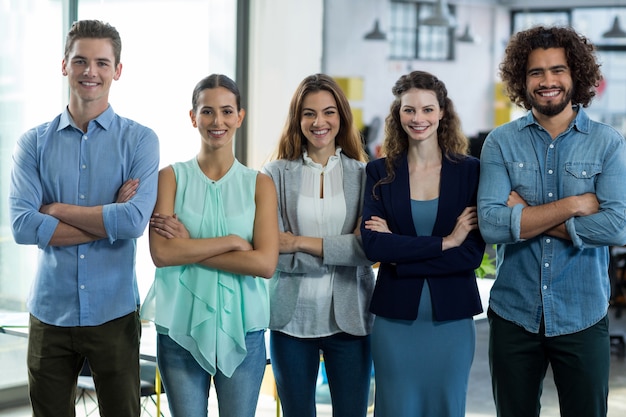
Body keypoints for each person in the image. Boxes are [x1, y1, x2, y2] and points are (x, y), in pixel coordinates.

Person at [8, 20, 159, 417]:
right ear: (64, 65)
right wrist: (108, 215)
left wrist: (55, 211)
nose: (91, 71)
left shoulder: (141, 140)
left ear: (117, 70)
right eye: (80, 61)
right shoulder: (33, 144)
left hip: (114, 311)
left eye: (102, 63)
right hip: (50, 311)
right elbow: (23, 227)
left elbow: (133, 223)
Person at [477, 25, 626, 417]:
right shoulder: (500, 142)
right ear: (521, 81)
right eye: (535, 72)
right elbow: (492, 225)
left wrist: (524, 214)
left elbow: (616, 226)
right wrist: (575, 204)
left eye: (557, 70)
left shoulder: (607, 142)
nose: (547, 81)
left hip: (583, 313)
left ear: (575, 75)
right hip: (513, 315)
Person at [140, 74, 279, 417]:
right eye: (207, 112)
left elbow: (264, 264)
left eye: (227, 111)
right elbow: (162, 254)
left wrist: (191, 246)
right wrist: (232, 243)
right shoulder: (169, 178)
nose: (217, 121)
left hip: (243, 331)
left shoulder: (260, 184)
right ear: (193, 117)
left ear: (239, 117)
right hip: (179, 328)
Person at [360, 70, 485, 417]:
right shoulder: (379, 173)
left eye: (428, 109)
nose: (419, 119)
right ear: (397, 114)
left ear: (442, 112)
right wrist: (446, 242)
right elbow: (373, 246)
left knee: (447, 408)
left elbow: (471, 254)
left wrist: (400, 255)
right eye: (409, 110)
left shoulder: (470, 172)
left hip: (452, 324)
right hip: (395, 323)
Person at [261, 73, 375, 417]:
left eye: (328, 112)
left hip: (350, 318)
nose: (319, 122)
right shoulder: (274, 175)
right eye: (309, 113)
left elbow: (367, 252)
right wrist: (339, 251)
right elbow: (272, 253)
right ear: (298, 119)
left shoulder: (364, 174)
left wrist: (296, 242)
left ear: (341, 117)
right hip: (290, 320)